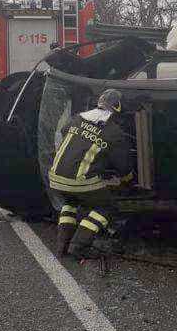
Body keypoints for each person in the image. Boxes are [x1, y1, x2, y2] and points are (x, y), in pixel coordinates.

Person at [49, 88, 134, 257]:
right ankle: (78, 246)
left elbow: (65, 132)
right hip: (80, 181)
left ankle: (62, 246)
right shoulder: (113, 131)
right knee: (105, 207)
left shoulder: (77, 118)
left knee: (71, 202)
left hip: (56, 178)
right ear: (118, 108)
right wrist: (128, 180)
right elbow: (123, 166)